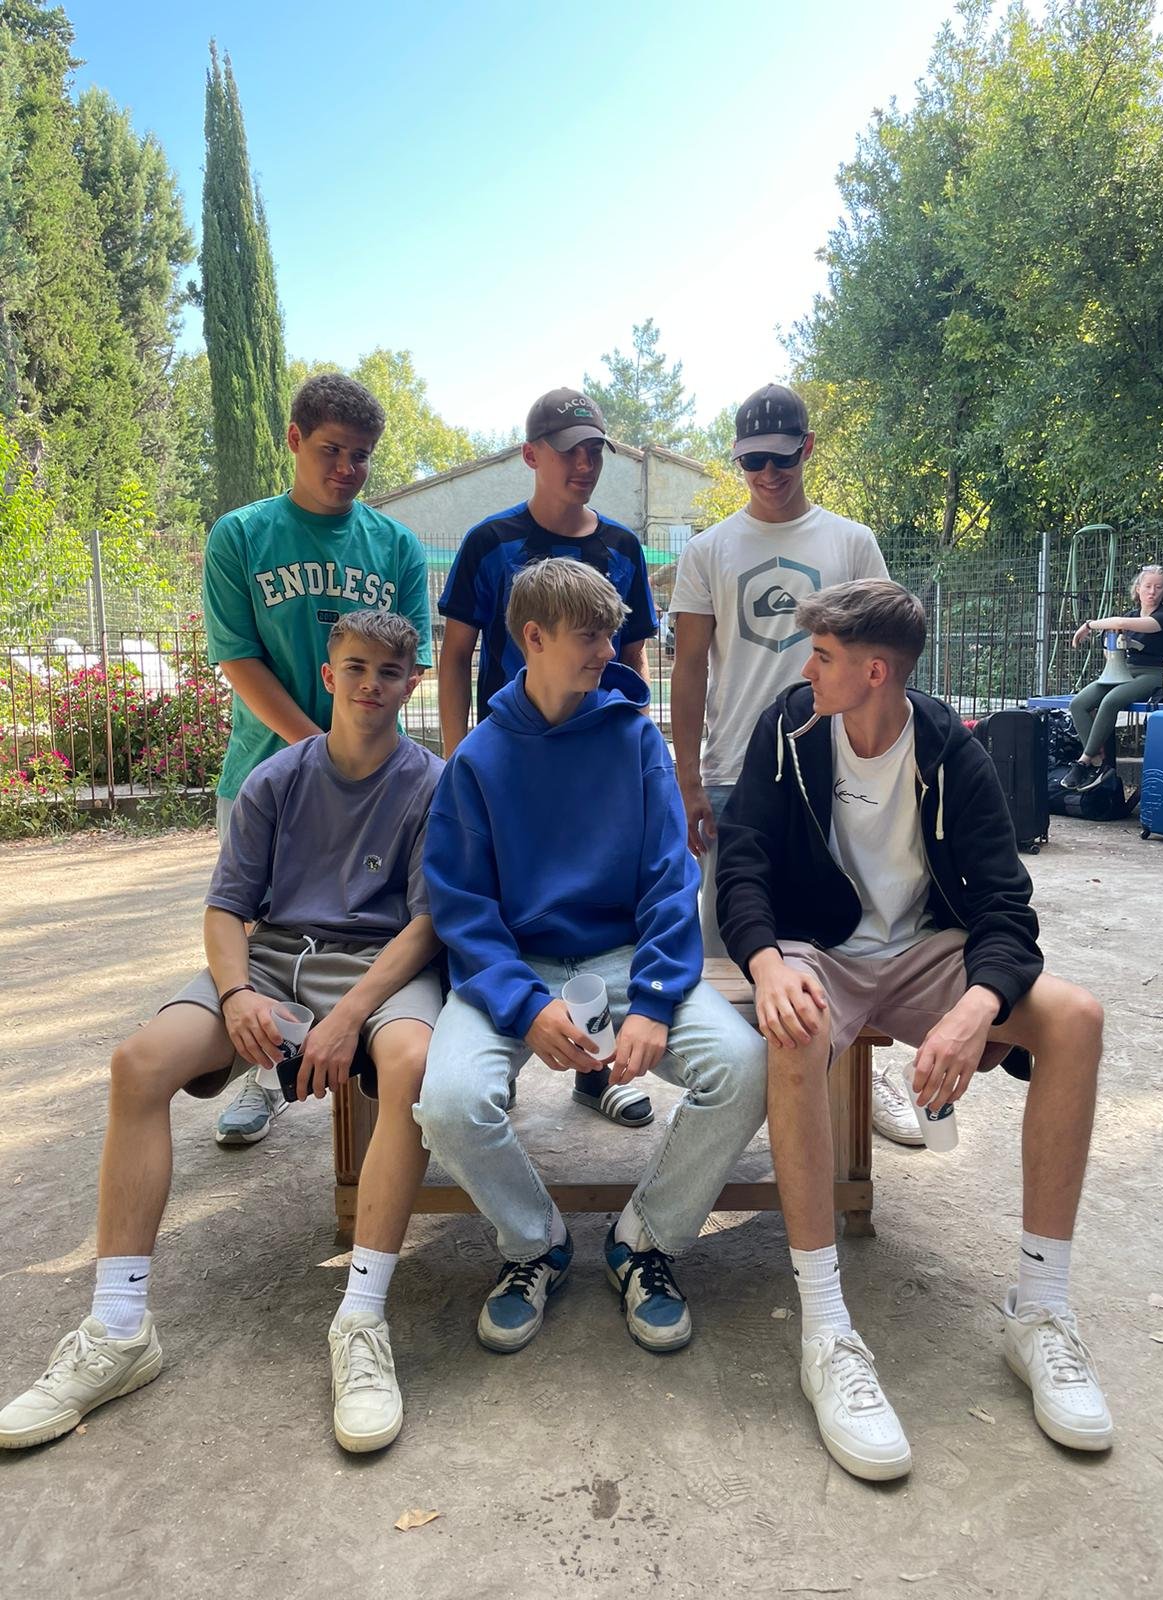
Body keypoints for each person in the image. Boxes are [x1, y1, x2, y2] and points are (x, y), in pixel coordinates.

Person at [0, 612, 443, 1455]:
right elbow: (226, 906)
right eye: (355, 667)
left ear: (412, 682)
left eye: (390, 671)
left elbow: (427, 926)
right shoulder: (277, 779)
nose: (371, 685)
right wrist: (236, 994)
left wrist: (349, 1017)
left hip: (378, 965)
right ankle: (119, 1327)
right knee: (138, 1063)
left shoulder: (432, 783)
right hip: (270, 960)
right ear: (328, 675)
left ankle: (361, 1319)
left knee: (413, 1061)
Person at [716, 579, 1111, 1482]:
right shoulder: (789, 730)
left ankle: (1041, 1310)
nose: (805, 671)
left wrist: (977, 1007)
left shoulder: (950, 753)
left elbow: (1006, 907)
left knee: (1076, 1019)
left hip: (927, 950)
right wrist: (766, 961)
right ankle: (827, 1329)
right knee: (794, 1028)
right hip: (821, 951)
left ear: (875, 672)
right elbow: (741, 861)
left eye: (822, 657)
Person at [415, 559, 766, 1356]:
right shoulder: (477, 760)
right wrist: (525, 1005)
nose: (610, 650)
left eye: (611, 633)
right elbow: (463, 909)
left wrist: (653, 999)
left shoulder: (634, 739)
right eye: (590, 636)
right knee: (450, 1103)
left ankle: (644, 1239)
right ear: (534, 639)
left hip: (625, 958)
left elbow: (670, 880)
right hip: (514, 970)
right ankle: (533, 1242)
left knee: (744, 1068)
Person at [668, 384, 916, 1147]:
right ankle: (729, 1099)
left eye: (780, 459)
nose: (767, 475)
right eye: (752, 463)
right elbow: (689, 668)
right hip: (734, 768)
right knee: (732, 941)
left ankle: (862, 1074)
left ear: (807, 448)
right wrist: (686, 778)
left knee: (850, 927)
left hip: (833, 765)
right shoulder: (709, 549)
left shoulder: (851, 543)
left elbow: (885, 652)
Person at [203, 372, 433, 1147]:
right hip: (265, 770)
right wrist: (318, 752)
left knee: (362, 927)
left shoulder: (394, 545)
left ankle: (360, 1055)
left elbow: (410, 655)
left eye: (361, 455)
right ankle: (260, 1078)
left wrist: (353, 755)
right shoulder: (241, 535)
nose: (347, 468)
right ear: (295, 439)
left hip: (370, 780)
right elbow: (238, 657)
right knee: (256, 929)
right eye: (332, 450)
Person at [436, 387, 660, 1130]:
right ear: (532, 456)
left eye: (595, 450)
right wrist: (456, 755)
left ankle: (598, 1073)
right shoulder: (489, 542)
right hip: (514, 763)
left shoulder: (623, 547)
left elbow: (633, 659)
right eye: (570, 451)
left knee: (594, 900)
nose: (584, 464)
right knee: (503, 905)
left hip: (595, 759)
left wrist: (630, 749)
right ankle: (490, 1066)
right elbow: (456, 653)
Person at [1061, 564, 1163, 792]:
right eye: (1147, 586)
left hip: (1155, 673)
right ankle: (1099, 763)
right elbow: (1112, 645)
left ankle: (1083, 762)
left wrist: (1088, 625)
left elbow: (1120, 624)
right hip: (1126, 671)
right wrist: (1111, 646)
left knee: (1111, 700)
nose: (1152, 592)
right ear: (1138, 589)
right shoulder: (1132, 614)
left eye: (1158, 587)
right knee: (1078, 703)